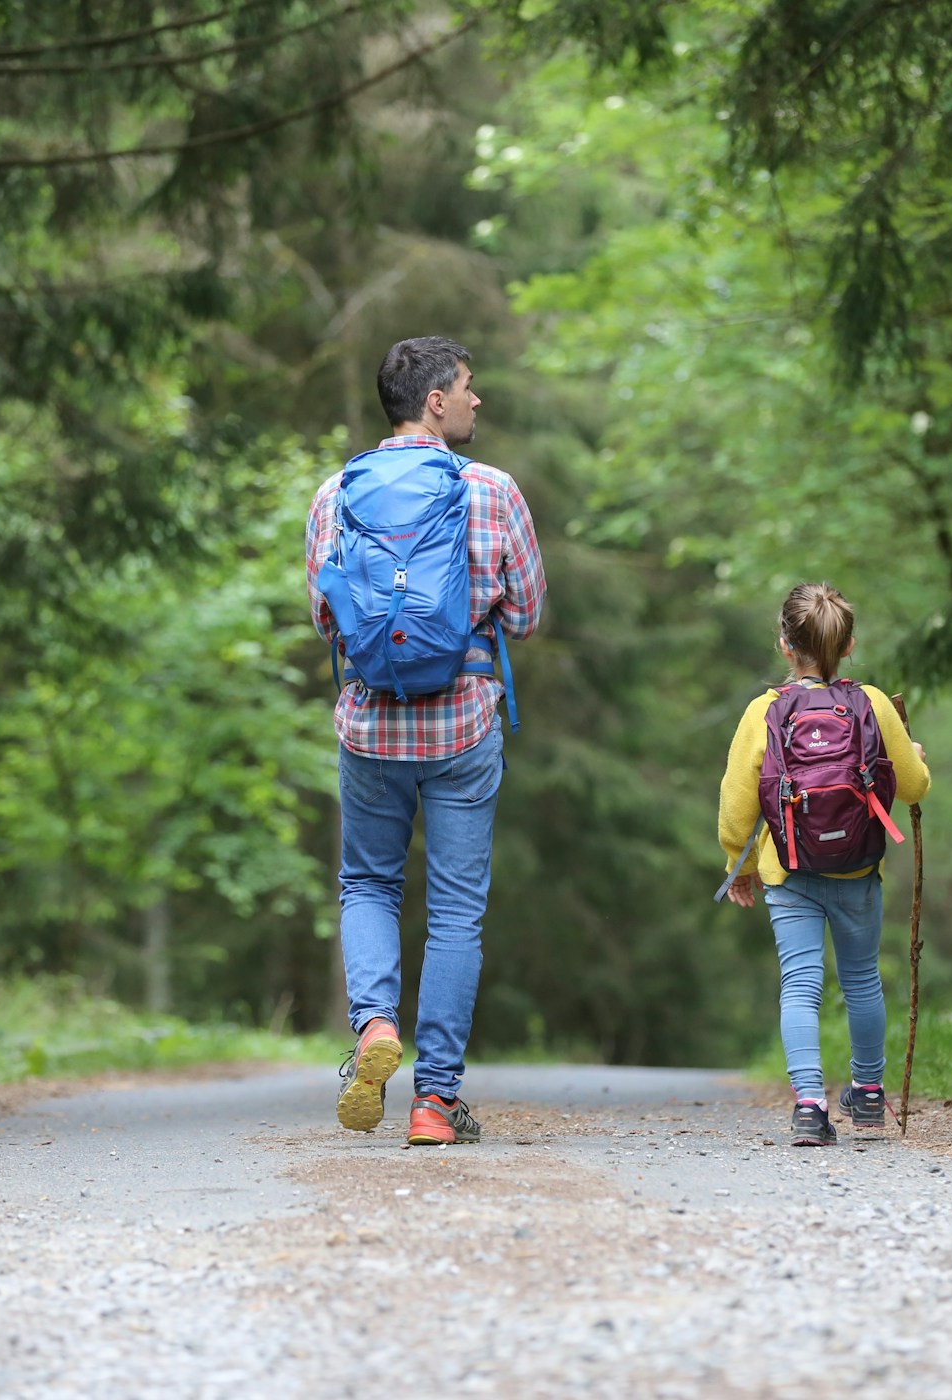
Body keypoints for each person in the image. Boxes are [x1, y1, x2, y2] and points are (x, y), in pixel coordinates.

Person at [305, 336, 546, 1145]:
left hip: (370, 725)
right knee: (455, 913)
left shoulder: (336, 493)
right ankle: (435, 1103)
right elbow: (528, 613)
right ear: (434, 402)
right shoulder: (492, 490)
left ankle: (374, 1025)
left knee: (368, 885)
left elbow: (325, 616)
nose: (478, 401)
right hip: (463, 725)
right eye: (468, 388)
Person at [718, 582, 931, 1147]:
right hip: (858, 871)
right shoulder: (873, 704)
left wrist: (736, 866)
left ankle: (810, 1105)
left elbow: (736, 806)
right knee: (861, 980)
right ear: (849, 644)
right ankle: (866, 1096)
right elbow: (913, 786)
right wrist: (917, 761)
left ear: (785, 644)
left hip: (789, 873)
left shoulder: (764, 711)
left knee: (800, 985)